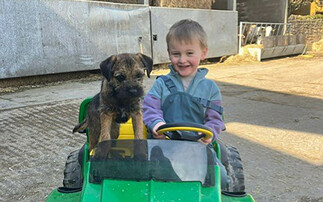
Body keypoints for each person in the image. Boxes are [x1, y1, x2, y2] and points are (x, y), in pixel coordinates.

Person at [142, 19, 229, 189]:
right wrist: (157, 125)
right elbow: (150, 109)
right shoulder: (161, 84)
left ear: (203, 53)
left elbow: (215, 120)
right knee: (144, 177)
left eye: (190, 53)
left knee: (222, 179)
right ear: (169, 53)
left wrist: (209, 134)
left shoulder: (211, 89)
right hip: (164, 146)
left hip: (197, 148)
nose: (182, 60)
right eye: (176, 54)